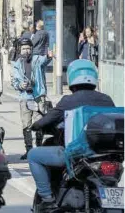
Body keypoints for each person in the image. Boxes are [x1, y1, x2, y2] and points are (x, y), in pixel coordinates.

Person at [27, 59, 114, 211]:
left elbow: (46, 121)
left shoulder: (69, 100)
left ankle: (47, 199)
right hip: (108, 156)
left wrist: (35, 125)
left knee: (33, 155)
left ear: (72, 78)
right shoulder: (107, 99)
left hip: (78, 156)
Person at [11, 38, 53, 160]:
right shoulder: (17, 64)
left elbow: (45, 60)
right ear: (19, 50)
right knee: (26, 125)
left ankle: (39, 147)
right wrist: (20, 85)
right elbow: (14, 81)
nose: (26, 51)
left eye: (29, 48)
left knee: (39, 123)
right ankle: (29, 150)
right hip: (25, 97)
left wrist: (49, 56)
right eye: (24, 48)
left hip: (38, 97)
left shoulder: (37, 60)